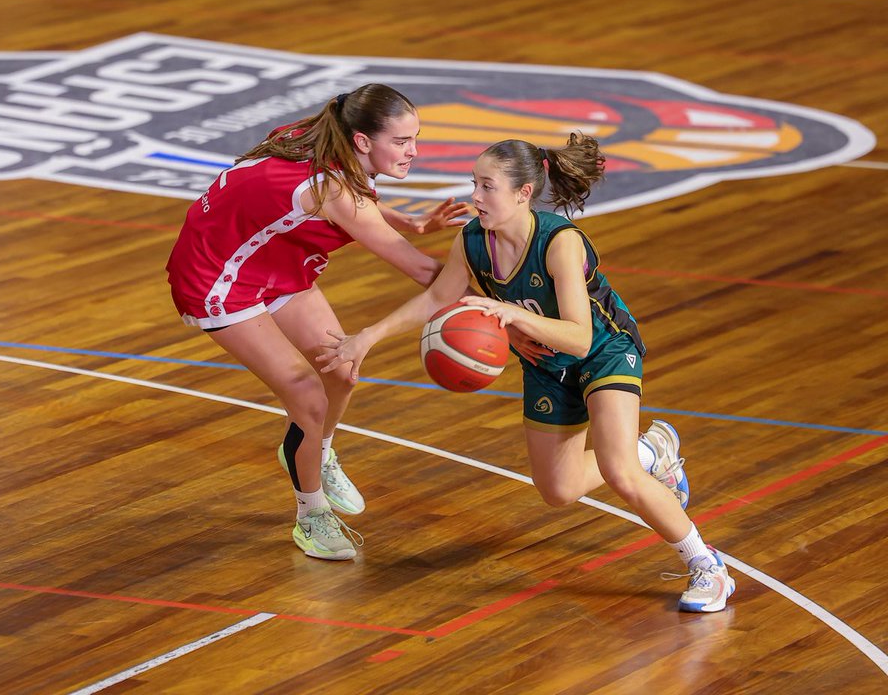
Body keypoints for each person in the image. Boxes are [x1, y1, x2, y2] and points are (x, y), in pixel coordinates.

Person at [317, 133, 735, 612]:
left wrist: (510, 314)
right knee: (558, 491)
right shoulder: (473, 239)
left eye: (487, 186)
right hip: (544, 364)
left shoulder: (561, 242)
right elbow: (436, 298)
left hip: (604, 351)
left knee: (619, 471)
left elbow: (578, 336)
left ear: (522, 193)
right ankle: (653, 450)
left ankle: (707, 566)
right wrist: (366, 336)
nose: (475, 196)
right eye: (474, 183)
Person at [166, 84, 468, 561]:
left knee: (340, 370)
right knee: (307, 397)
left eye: (415, 138)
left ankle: (313, 451)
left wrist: (408, 223)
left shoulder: (325, 137)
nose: (415, 152)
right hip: (218, 278)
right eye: (403, 141)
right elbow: (425, 273)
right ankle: (311, 514)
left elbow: (355, 204)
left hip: (273, 261)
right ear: (364, 142)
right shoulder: (336, 189)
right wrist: (506, 307)